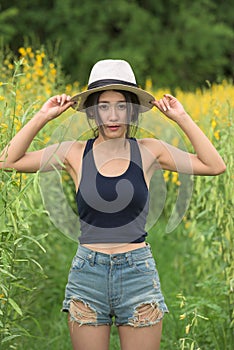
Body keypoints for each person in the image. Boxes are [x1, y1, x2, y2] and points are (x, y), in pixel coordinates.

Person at [0, 59, 226, 350]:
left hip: (138, 274)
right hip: (87, 274)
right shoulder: (74, 153)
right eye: (103, 106)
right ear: (92, 112)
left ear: (132, 110)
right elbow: (7, 160)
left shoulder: (149, 151)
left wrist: (181, 118)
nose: (113, 115)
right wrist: (43, 116)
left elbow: (214, 165)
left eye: (121, 105)